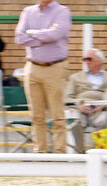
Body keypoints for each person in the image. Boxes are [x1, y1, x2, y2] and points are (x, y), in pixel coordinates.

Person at [15, 0, 72, 154]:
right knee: (36, 116)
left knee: (57, 115)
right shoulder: (28, 11)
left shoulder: (62, 11)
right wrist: (44, 35)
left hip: (55, 67)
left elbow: (56, 34)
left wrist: (31, 33)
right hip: (32, 68)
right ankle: (40, 153)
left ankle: (60, 153)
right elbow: (19, 38)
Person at [65, 48, 107, 147]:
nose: (86, 62)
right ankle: (80, 152)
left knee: (104, 120)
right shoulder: (75, 77)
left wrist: (103, 105)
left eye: (89, 59)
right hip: (80, 110)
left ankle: (99, 151)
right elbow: (67, 98)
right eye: (85, 59)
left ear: (99, 61)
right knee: (75, 122)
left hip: (101, 109)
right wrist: (79, 105)